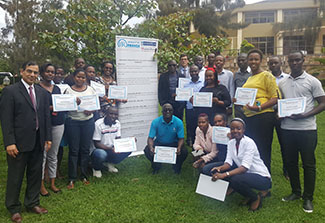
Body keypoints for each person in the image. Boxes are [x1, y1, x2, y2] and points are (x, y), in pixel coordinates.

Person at [0, 61, 52, 223]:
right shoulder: (10, 91)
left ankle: (32, 203)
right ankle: (14, 208)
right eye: (29, 71)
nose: (32, 75)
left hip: (38, 140)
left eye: (35, 73)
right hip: (18, 142)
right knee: (16, 176)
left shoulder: (42, 93)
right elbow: (6, 119)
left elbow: (45, 117)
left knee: (35, 174)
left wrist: (48, 137)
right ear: (21, 72)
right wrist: (9, 142)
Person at [279, 52, 325, 213]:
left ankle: (308, 198)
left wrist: (305, 114)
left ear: (303, 60)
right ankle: (296, 192)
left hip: (306, 129)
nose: (294, 63)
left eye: (297, 60)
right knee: (290, 163)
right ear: (287, 62)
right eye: (291, 60)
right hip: (287, 128)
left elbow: (322, 103)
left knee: (308, 164)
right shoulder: (283, 82)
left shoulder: (312, 81)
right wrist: (280, 112)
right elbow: (281, 103)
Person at [210, 118, 271, 212]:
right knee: (231, 176)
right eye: (232, 129)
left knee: (234, 179)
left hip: (261, 178)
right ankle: (247, 194)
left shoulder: (249, 143)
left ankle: (255, 198)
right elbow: (228, 163)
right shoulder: (231, 143)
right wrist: (219, 168)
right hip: (246, 176)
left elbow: (244, 168)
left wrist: (224, 175)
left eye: (238, 128)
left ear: (243, 130)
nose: (235, 131)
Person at [239, 49, 278, 173]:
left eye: (256, 59)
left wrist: (259, 107)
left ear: (261, 61)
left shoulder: (267, 75)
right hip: (250, 117)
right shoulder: (250, 78)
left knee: (264, 147)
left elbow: (275, 98)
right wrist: (238, 100)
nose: (253, 61)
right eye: (251, 59)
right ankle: (255, 174)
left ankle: (266, 178)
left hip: (263, 116)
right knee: (252, 148)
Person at [64, 68, 97, 189]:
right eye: (78, 76)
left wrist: (91, 110)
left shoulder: (91, 89)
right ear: (74, 77)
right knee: (73, 150)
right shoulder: (68, 91)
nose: (80, 79)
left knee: (84, 149)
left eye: (83, 77)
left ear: (86, 79)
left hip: (88, 122)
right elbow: (64, 107)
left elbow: (96, 105)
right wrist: (73, 103)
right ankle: (72, 178)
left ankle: (83, 175)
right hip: (73, 122)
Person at [38, 63, 65, 196]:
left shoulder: (57, 89)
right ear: (42, 73)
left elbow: (60, 104)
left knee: (53, 154)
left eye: (52, 72)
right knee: (42, 155)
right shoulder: (37, 88)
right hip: (42, 125)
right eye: (48, 71)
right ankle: (41, 184)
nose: (50, 74)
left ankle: (52, 183)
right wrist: (50, 108)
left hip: (58, 124)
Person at [144, 103, 188, 174]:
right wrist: (151, 147)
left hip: (173, 143)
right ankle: (156, 166)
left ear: (173, 111)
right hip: (160, 143)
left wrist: (179, 147)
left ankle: (177, 167)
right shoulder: (155, 122)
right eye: (165, 110)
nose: (168, 112)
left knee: (184, 151)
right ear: (162, 112)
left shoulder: (178, 122)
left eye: (170, 110)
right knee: (147, 150)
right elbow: (150, 138)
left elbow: (181, 138)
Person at [91, 106, 131, 178]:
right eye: (111, 114)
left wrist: (129, 142)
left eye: (116, 114)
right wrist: (110, 149)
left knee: (129, 149)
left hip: (111, 148)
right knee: (101, 154)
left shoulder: (117, 123)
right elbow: (96, 144)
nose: (113, 116)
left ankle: (110, 163)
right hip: (99, 149)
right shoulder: (98, 124)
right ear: (106, 113)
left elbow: (118, 139)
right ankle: (96, 168)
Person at [268, 56, 289, 179]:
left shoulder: (287, 79)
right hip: (268, 114)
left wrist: (282, 112)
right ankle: (266, 170)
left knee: (284, 143)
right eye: (271, 63)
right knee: (266, 143)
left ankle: (287, 170)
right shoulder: (266, 77)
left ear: (281, 63)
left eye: (276, 63)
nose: (273, 65)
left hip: (283, 116)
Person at [184, 65, 204, 146]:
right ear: (189, 73)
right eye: (192, 71)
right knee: (191, 128)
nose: (194, 73)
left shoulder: (203, 83)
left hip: (201, 110)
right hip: (190, 109)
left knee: (201, 129)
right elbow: (183, 96)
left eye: (195, 71)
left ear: (198, 71)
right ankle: (194, 149)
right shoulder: (186, 85)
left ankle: (202, 147)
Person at [233, 53, 251, 120]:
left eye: (243, 60)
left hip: (250, 106)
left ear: (248, 60)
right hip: (238, 106)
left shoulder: (253, 73)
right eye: (239, 60)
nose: (241, 62)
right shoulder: (236, 75)